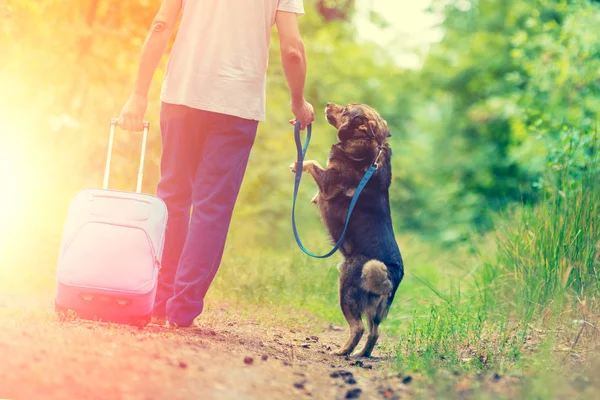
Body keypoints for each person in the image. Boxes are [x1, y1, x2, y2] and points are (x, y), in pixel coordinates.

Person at [118, 0, 315, 327]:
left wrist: (138, 95)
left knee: (173, 196)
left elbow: (161, 25)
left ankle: (158, 299)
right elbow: (293, 49)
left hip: (182, 94)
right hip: (236, 105)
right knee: (212, 207)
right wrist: (298, 101)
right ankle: (182, 310)